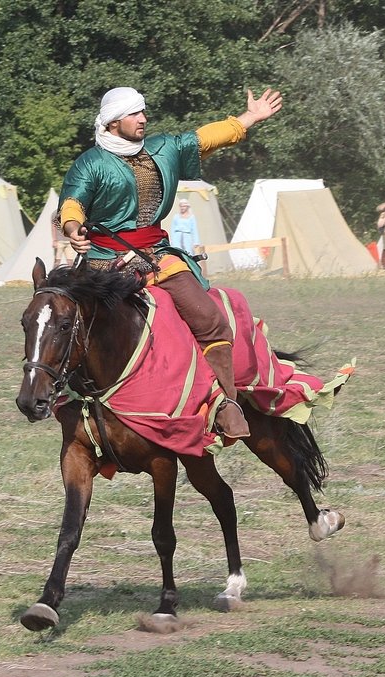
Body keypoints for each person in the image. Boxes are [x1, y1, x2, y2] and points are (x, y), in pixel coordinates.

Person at [60, 86, 283, 439]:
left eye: (143, 112)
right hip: (104, 262)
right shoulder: (91, 163)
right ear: (114, 122)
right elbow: (72, 201)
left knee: (210, 319)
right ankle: (65, 397)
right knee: (65, 322)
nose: (143, 119)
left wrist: (249, 119)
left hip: (157, 257)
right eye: (135, 114)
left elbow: (204, 139)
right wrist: (73, 228)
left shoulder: (162, 149)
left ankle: (225, 405)